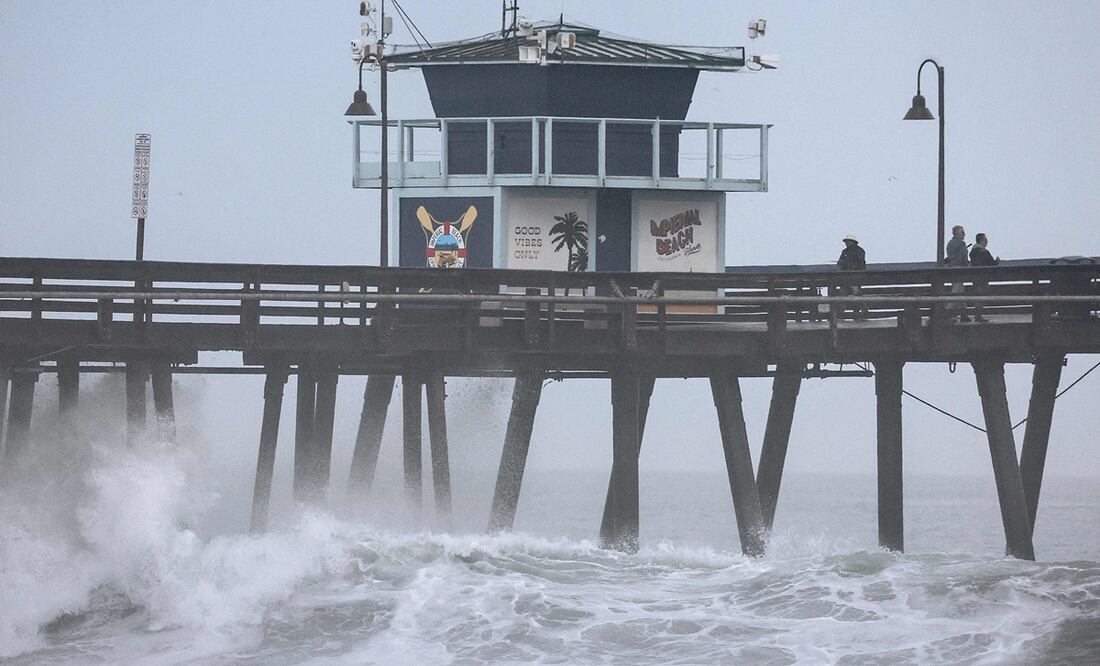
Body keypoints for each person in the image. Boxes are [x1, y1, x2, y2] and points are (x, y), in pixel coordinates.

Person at [969, 232, 1000, 322]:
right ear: (982, 240)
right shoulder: (984, 252)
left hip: (974, 277)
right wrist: (997, 261)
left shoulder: (972, 252)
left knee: (977, 296)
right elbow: (991, 263)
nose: (987, 241)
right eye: (985, 239)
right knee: (981, 296)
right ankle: (978, 316)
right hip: (983, 277)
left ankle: (977, 316)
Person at [837, 234, 866, 320]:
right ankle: (841, 316)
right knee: (843, 295)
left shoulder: (859, 251)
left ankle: (862, 314)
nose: (846, 243)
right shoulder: (844, 251)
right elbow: (840, 263)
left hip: (855, 279)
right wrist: (840, 265)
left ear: (853, 242)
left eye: (848, 241)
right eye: (846, 241)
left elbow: (860, 264)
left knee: (856, 295)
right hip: (845, 279)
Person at [944, 225, 970, 321]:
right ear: (957, 233)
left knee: (959, 291)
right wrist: (967, 268)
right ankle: (948, 312)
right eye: (962, 232)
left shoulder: (949, 243)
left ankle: (964, 314)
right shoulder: (961, 243)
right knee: (956, 291)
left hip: (951, 269)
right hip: (959, 269)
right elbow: (964, 257)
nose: (964, 234)